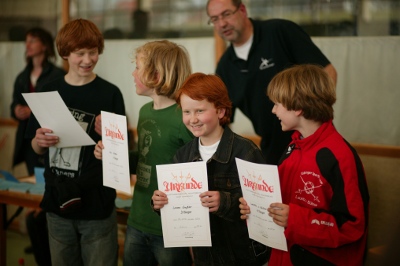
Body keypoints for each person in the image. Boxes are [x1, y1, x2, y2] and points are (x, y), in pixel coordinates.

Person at [239, 64, 369, 266]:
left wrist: (295, 219)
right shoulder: (294, 146)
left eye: (277, 104)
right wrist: (255, 207)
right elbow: (280, 202)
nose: (273, 110)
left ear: (297, 107)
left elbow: (352, 226)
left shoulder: (338, 155)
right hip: (283, 256)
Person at [27, 19, 126, 266]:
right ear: (64, 53)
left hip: (97, 204)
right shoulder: (48, 91)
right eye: (80, 53)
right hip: (57, 201)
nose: (87, 59)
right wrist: (39, 141)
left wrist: (111, 136)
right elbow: (36, 145)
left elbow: (122, 154)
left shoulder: (110, 93)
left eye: (93, 52)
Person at [152, 73, 270, 266]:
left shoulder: (246, 151)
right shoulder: (182, 156)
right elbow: (175, 207)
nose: (192, 119)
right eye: (186, 112)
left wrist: (225, 201)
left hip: (243, 257)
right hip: (204, 258)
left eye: (199, 111)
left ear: (221, 111)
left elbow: (263, 207)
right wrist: (160, 203)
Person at [94, 40, 194, 265]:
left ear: (156, 76)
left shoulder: (185, 117)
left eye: (137, 67)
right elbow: (143, 159)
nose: (133, 73)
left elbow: (197, 174)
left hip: (170, 228)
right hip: (137, 219)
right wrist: (111, 154)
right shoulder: (144, 111)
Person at [206, 0, 338, 165]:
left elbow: (328, 72)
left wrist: (314, 121)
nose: (222, 23)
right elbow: (222, 120)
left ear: (242, 10)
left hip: (313, 141)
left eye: (226, 14)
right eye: (215, 19)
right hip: (273, 153)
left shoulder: (280, 31)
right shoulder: (225, 66)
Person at [11, 27, 65, 176]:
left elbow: (62, 106)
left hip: (51, 137)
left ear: (45, 45)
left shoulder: (57, 75)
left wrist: (33, 111)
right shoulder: (22, 76)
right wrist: (16, 110)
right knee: (33, 177)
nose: (27, 45)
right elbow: (14, 103)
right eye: (26, 42)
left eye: (32, 41)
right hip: (27, 137)